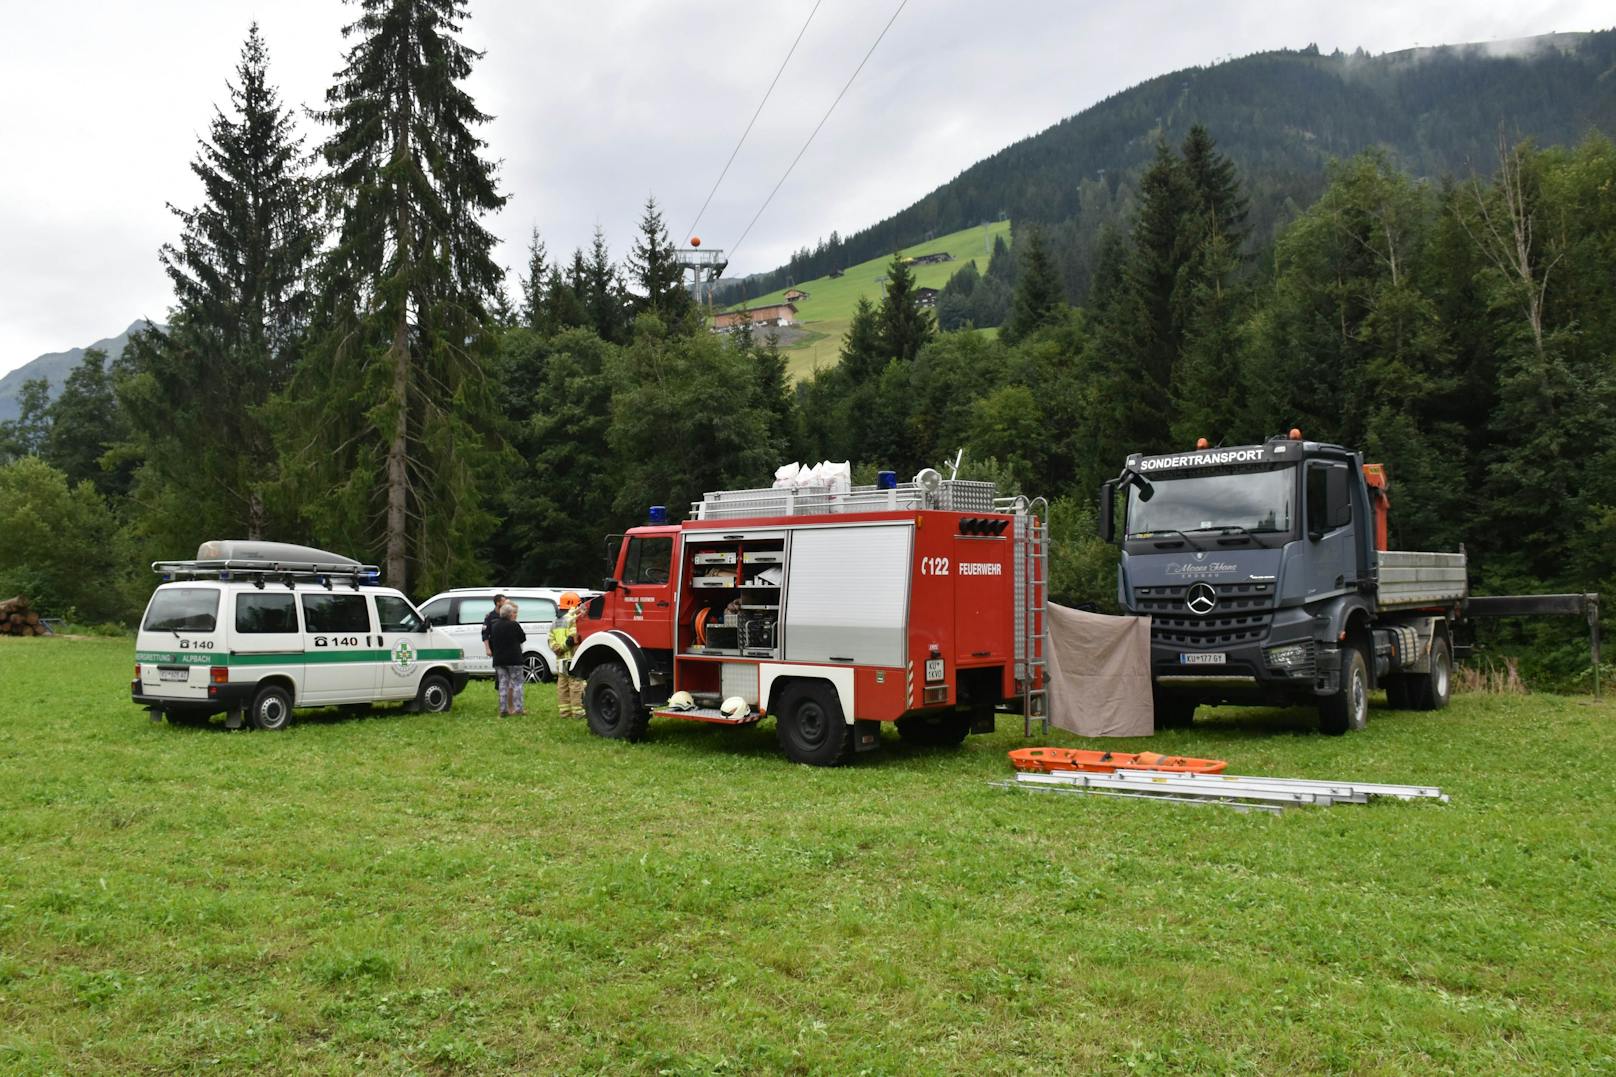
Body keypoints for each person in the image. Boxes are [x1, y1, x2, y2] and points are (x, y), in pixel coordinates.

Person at [488, 602, 527, 717]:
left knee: (503, 684)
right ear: (510, 614)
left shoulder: (494, 625)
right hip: (514, 659)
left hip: (499, 660)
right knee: (517, 684)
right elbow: (522, 638)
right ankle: (518, 709)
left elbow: (491, 642)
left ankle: (503, 709)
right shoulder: (514, 625)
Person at [549, 591, 584, 719]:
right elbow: (573, 639)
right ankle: (578, 712)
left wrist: (558, 649)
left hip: (560, 661)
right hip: (572, 659)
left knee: (562, 687)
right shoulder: (572, 621)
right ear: (572, 605)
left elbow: (550, 640)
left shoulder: (555, 622)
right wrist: (564, 646)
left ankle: (564, 712)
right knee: (575, 686)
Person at [481, 593, 507, 659]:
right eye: (504, 601)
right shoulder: (490, 616)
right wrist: (487, 649)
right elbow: (485, 633)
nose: (506, 604)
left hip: (507, 647)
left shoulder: (508, 615)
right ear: (498, 603)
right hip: (495, 647)